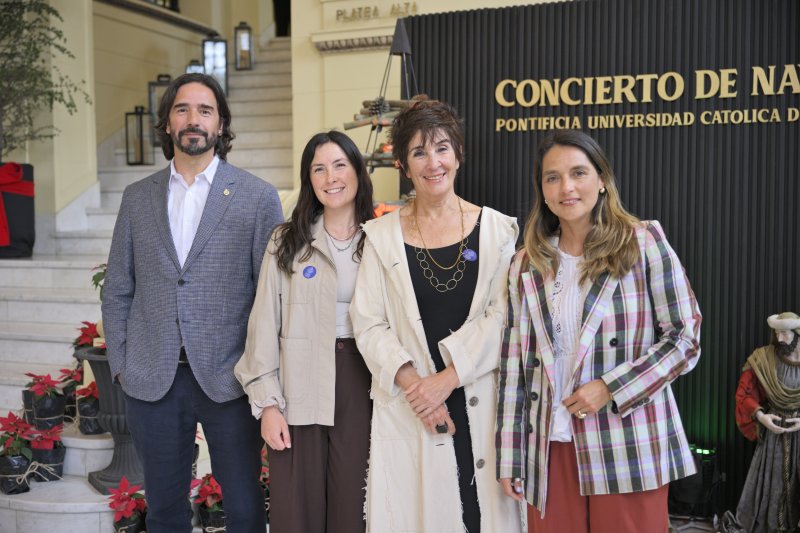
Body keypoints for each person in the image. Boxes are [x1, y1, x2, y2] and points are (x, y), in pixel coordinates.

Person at [102, 73, 283, 533]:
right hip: (152, 379)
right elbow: (118, 287)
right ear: (167, 123)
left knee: (245, 508)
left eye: (205, 110)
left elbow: (272, 297)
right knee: (164, 512)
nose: (193, 119)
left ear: (220, 124)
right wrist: (121, 365)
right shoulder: (137, 198)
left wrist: (267, 375)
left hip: (230, 378)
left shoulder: (257, 197)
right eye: (182, 109)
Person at [496, 129, 702, 533]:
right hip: (549, 446)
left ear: (602, 179)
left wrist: (611, 387)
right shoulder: (526, 263)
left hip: (626, 440)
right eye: (552, 177)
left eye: (578, 173)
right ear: (542, 190)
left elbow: (685, 337)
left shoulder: (641, 242)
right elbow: (513, 367)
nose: (566, 187)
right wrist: (510, 455)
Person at [350, 98, 523, 533]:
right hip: (412, 407)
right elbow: (368, 322)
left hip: (480, 397)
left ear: (458, 154)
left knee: (483, 514)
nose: (433, 163)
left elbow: (503, 316)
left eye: (442, 148)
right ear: (403, 166)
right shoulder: (380, 236)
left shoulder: (497, 230)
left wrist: (445, 380)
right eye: (419, 152)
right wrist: (419, 390)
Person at [235, 131, 374, 532]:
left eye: (340, 165)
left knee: (355, 506)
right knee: (296, 509)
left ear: (357, 171)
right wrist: (268, 404)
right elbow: (264, 324)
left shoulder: (381, 239)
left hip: (361, 380)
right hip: (297, 384)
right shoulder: (286, 241)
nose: (331, 177)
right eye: (319, 169)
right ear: (309, 179)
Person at [732, 312, 800, 532]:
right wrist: (761, 416)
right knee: (773, 485)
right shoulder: (764, 358)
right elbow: (744, 393)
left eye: (785, 333)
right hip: (774, 434)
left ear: (797, 333)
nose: (780, 339)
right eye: (777, 333)